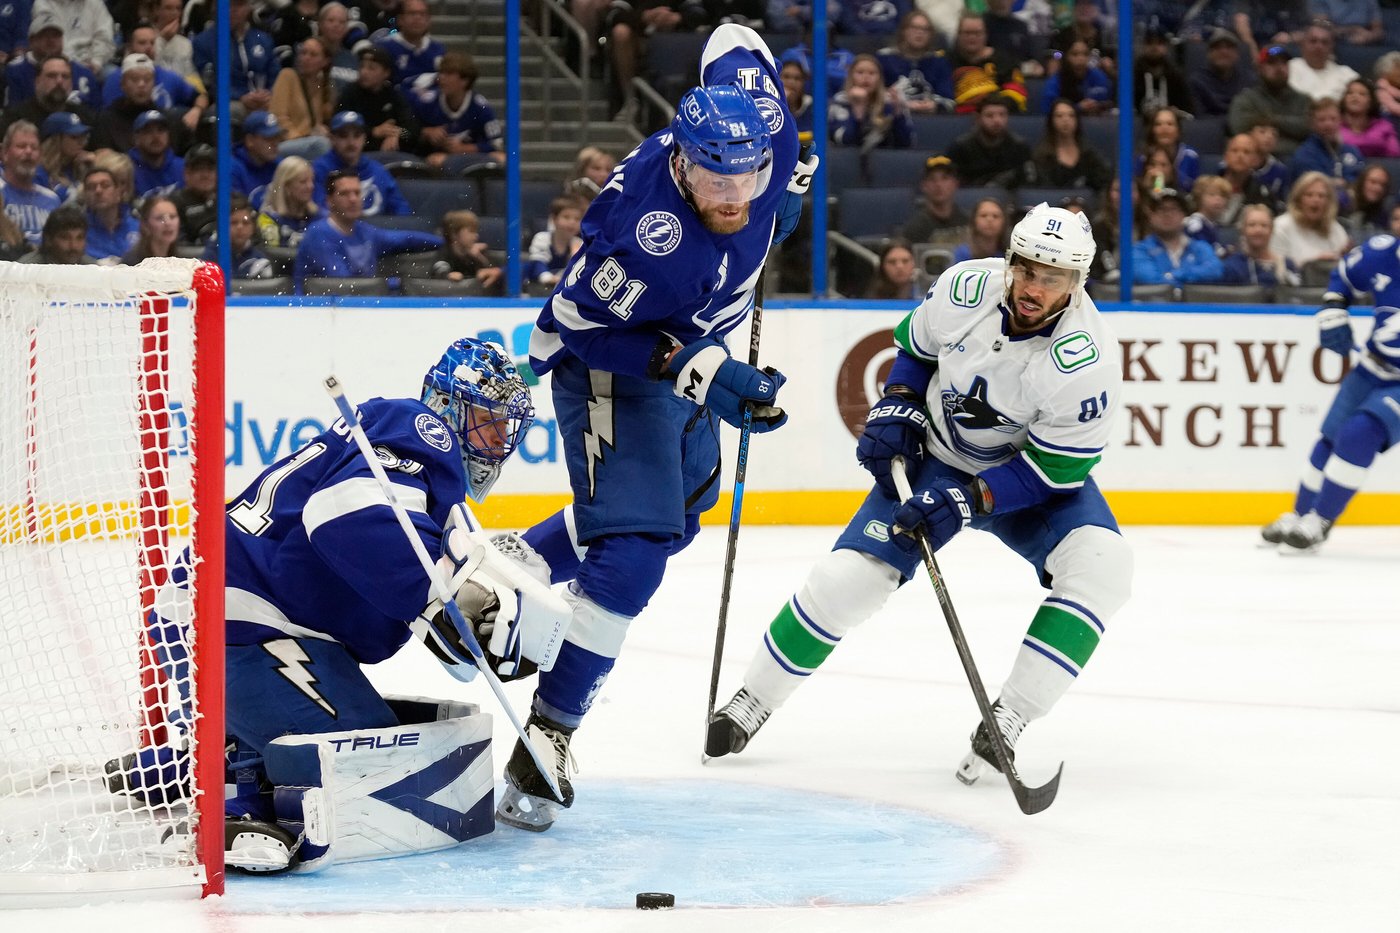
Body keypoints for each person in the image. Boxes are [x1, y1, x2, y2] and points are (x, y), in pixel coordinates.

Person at [707, 202, 1132, 793]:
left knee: (1103, 568)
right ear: (1011, 260)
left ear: (1078, 281)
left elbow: (1054, 469)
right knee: (847, 581)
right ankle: (751, 700)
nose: (1034, 286)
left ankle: (1006, 719)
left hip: (1022, 481)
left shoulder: (1087, 361)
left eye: (1052, 276)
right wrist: (898, 403)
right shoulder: (966, 287)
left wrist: (967, 501)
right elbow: (916, 349)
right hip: (934, 458)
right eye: (1027, 268)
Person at [500, 24, 806, 831]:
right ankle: (547, 736)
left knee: (679, 517)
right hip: (613, 367)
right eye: (714, 180)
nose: (736, 195)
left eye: (752, 177)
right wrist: (699, 367)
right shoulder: (644, 237)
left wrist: (791, 195)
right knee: (635, 553)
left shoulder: (765, 123)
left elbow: (735, 35)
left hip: (690, 342)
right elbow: (573, 324)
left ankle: (517, 564)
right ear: (681, 162)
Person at [106, 337, 553, 874]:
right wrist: (434, 599)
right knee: (356, 759)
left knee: (376, 731)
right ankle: (229, 796)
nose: (498, 441)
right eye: (489, 421)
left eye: (507, 429)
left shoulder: (415, 479)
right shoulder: (422, 430)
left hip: (235, 616)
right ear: (449, 408)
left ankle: (193, 761)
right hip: (232, 619)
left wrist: (461, 621)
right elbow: (340, 515)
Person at [1260, 240, 1400, 550]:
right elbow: (1346, 273)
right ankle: (1300, 515)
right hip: (1371, 367)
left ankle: (1321, 520)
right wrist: (1334, 305)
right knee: (1331, 438)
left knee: (1360, 432)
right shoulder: (1382, 253)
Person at [294, 169, 442, 291]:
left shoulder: (366, 232)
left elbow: (408, 239)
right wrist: (399, 283)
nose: (353, 199)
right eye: (344, 194)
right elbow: (343, 285)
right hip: (315, 311)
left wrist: (447, 242)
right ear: (330, 201)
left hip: (356, 307)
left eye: (357, 193)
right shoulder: (319, 234)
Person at [410, 51, 504, 168]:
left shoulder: (481, 107)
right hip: (434, 158)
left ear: (465, 80)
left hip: (470, 157)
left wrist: (464, 148)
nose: (441, 78)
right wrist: (425, 132)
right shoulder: (426, 102)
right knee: (437, 161)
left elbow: (497, 143)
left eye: (448, 74)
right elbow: (403, 132)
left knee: (501, 158)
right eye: (441, 73)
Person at [311, 111, 412, 217]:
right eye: (343, 136)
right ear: (332, 139)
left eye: (357, 135)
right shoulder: (319, 169)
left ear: (364, 138)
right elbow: (319, 212)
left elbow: (402, 211)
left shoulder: (377, 170)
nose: (351, 142)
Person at [193, 0, 279, 120]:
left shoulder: (263, 39)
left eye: (239, 5)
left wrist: (268, 94)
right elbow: (209, 84)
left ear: (249, 8)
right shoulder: (203, 42)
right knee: (227, 111)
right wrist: (241, 97)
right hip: (232, 102)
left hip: (265, 101)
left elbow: (275, 75)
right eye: (227, 5)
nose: (233, 10)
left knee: (286, 106)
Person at [1229, 46, 1312, 160]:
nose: (1279, 68)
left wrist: (1272, 120)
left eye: (1283, 63)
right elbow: (1239, 127)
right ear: (1260, 68)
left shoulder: (1302, 99)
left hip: (1297, 160)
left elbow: (1308, 127)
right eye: (1272, 63)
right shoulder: (1246, 98)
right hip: (1257, 160)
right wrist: (1290, 128)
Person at [1132, 187, 1226, 287]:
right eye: (1161, 209)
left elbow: (1215, 270)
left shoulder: (1200, 247)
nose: (1168, 214)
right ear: (1151, 216)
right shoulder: (1139, 250)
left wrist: (1174, 275)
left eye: (1174, 209)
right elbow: (1151, 279)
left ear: (1184, 215)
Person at [334, 45, 419, 153]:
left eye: (371, 68)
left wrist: (397, 134)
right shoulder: (350, 93)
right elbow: (340, 127)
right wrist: (373, 132)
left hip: (389, 151)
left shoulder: (393, 95)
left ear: (386, 73)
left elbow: (413, 130)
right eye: (362, 67)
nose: (364, 72)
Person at [1288, 96, 1363, 208]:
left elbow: (1360, 183)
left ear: (1340, 120)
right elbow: (1317, 189)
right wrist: (1343, 185)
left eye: (1333, 119)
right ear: (1312, 123)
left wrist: (1342, 183)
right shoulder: (1304, 155)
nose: (1328, 124)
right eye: (1322, 120)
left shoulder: (1352, 151)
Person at [1025, 97, 1112, 193]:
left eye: (1071, 115)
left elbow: (1104, 181)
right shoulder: (1041, 156)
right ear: (1051, 121)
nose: (1066, 120)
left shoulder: (1089, 154)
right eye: (1059, 116)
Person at [269, 36, 335, 160]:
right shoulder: (287, 76)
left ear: (325, 61)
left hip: (310, 143)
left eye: (313, 55)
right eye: (303, 53)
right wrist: (304, 136)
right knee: (321, 145)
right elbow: (278, 119)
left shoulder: (324, 86)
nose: (306, 58)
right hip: (284, 143)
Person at [830, 53, 914, 150]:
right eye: (860, 72)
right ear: (851, 76)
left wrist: (898, 113)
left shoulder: (889, 103)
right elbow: (844, 142)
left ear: (880, 78)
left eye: (872, 73)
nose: (866, 77)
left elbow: (906, 143)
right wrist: (858, 111)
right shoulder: (840, 102)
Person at [876, 10, 954, 116]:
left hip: (931, 121)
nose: (920, 33)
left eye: (925, 29)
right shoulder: (884, 58)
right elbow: (873, 96)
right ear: (904, 31)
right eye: (915, 28)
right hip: (893, 119)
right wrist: (902, 104)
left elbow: (949, 100)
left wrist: (935, 105)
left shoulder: (939, 62)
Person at [946, 12, 1027, 112]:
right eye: (967, 33)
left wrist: (990, 109)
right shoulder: (945, 60)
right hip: (955, 118)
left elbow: (1016, 93)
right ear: (958, 35)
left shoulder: (1004, 61)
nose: (972, 37)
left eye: (977, 33)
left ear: (986, 35)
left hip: (995, 117)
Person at [946, 93, 1029, 189]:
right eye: (990, 115)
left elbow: (1026, 183)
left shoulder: (1019, 147)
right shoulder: (961, 147)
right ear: (977, 118)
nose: (997, 120)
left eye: (1002, 115)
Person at [1270, 170, 1350, 268]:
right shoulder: (1280, 227)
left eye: (1321, 196)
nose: (1316, 200)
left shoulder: (1335, 229)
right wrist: (1315, 263)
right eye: (1309, 195)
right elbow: (1278, 270)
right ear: (1298, 199)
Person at [0, 120, 61, 247]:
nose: (28, 152)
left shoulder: (52, 199)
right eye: (21, 146)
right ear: (5, 153)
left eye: (34, 148)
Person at [1221, 202, 1301, 287]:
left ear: (1271, 230)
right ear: (1243, 230)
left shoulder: (1287, 265)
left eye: (1264, 225)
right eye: (1252, 225)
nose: (1258, 230)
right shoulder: (1233, 266)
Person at [29, 0, 114, 76]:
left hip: (92, 61)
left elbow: (105, 37)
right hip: (58, 62)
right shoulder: (43, 3)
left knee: (113, 74)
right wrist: (73, 65)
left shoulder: (95, 3)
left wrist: (96, 62)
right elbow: (55, 41)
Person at [900, 155, 968, 247]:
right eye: (932, 179)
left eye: (945, 178)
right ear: (924, 186)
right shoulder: (914, 229)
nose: (938, 184)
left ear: (955, 184)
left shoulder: (968, 222)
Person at [81, 155, 140, 262]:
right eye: (91, 187)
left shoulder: (139, 227)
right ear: (85, 194)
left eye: (105, 185)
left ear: (118, 191)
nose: (98, 191)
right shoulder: (77, 229)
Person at [375, 0, 445, 89]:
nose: (417, 18)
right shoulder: (384, 48)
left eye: (422, 14)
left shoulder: (438, 49)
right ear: (400, 19)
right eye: (412, 13)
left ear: (428, 20)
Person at [431, 208, 503, 292]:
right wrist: (447, 276)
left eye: (476, 231)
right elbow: (438, 269)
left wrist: (480, 258)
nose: (476, 236)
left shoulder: (475, 255)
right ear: (454, 234)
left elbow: (491, 274)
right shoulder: (445, 253)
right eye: (471, 231)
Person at [204, 193, 275, 279]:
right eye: (233, 222)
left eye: (245, 223)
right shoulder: (209, 259)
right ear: (222, 226)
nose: (240, 227)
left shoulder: (260, 262)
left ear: (253, 228)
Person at [523, 195, 585, 291]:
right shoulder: (542, 238)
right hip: (537, 291)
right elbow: (537, 264)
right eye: (566, 217)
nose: (572, 222)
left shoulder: (580, 243)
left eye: (577, 219)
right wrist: (548, 278)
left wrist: (575, 256)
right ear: (554, 219)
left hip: (563, 292)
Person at [1288, 20, 1358, 103]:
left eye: (1325, 42)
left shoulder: (1346, 74)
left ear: (1332, 47)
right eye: (1313, 41)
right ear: (1302, 44)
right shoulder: (1288, 69)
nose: (1319, 46)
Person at [257, 156, 320, 248]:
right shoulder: (268, 219)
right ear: (286, 186)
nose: (311, 186)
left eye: (312, 181)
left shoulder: (319, 216)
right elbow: (272, 256)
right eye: (303, 182)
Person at [1189, 27, 1253, 118]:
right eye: (1217, 47)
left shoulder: (1249, 80)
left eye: (1229, 47)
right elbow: (1199, 118)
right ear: (1209, 54)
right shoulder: (1197, 82)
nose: (1224, 52)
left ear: (1237, 54)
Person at [1038, 38, 1112, 116]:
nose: (1081, 58)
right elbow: (1048, 111)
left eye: (1085, 54)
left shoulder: (1099, 76)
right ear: (1066, 56)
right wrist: (1077, 108)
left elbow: (1110, 103)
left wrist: (1099, 106)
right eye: (1075, 54)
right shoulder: (1056, 81)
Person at [1133, 23, 1193, 116]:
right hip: (1136, 127)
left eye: (1159, 43)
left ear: (1166, 47)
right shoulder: (1132, 75)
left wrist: (1177, 113)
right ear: (1143, 46)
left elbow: (1188, 110)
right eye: (1149, 42)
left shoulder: (1176, 75)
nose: (1154, 47)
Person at [1138, 106, 1201, 194]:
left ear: (1178, 130)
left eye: (1170, 124)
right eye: (1158, 124)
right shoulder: (1143, 156)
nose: (1164, 128)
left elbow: (1195, 189)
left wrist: (1172, 176)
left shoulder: (1190, 155)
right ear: (1152, 130)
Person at [231, 110, 285, 208]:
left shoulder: (279, 165)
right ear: (250, 140)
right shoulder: (233, 169)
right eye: (268, 138)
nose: (275, 143)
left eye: (277, 137)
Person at [1338, 78, 1400, 158]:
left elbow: (1395, 157)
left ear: (1371, 101)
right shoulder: (1334, 125)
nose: (1355, 96)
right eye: (1350, 93)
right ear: (1344, 99)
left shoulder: (1384, 126)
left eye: (1362, 94)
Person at [129, 110, 184, 200]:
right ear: (136, 139)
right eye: (148, 131)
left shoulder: (182, 167)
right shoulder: (128, 172)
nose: (156, 136)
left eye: (161, 130)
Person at [17, 203, 91, 264]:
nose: (73, 246)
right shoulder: (27, 269)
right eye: (65, 238)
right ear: (48, 240)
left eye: (80, 238)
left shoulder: (92, 268)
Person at [173, 144, 217, 244]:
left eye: (210, 169)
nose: (205, 175)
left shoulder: (231, 199)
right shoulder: (174, 204)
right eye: (199, 169)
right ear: (186, 174)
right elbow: (178, 247)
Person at [121, 194, 181, 264]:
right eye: (160, 218)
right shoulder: (132, 262)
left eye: (172, 217)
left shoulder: (182, 260)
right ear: (145, 225)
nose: (168, 223)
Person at [1185, 175, 1233, 257]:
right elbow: (1203, 250)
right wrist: (1226, 251)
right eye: (1212, 195)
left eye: (1223, 196)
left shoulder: (1212, 225)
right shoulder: (1195, 223)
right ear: (1199, 198)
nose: (1218, 199)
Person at [1343, 164, 1392, 240]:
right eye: (1373, 182)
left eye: (1383, 185)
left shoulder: (1382, 214)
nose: (1378, 188)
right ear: (1362, 182)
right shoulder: (1342, 201)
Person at [953, 196, 1009, 262]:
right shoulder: (961, 253)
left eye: (995, 216)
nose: (989, 219)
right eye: (983, 215)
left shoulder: (1010, 254)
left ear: (1004, 222)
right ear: (974, 220)